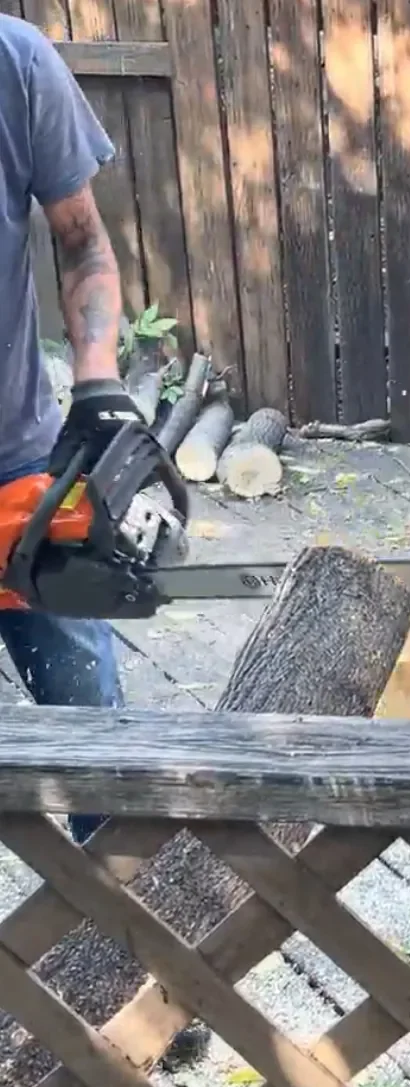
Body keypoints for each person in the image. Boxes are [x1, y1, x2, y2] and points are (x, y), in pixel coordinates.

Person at [0, 14, 149, 843]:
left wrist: (98, 381)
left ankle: (129, 931)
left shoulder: (16, 63)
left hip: (16, 458)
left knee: (94, 733)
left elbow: (83, 243)